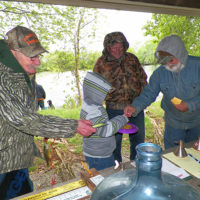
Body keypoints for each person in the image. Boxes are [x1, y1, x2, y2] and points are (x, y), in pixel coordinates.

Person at [0, 25, 96, 200]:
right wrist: (73, 125)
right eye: (33, 56)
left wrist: (44, 128)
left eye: (39, 55)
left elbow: (27, 112)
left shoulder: (22, 69)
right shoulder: (3, 77)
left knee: (25, 193)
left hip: (16, 154)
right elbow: (21, 118)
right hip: (3, 161)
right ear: (14, 52)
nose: (38, 62)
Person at [124, 35, 200, 150]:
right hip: (173, 125)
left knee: (195, 157)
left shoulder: (197, 66)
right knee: (173, 157)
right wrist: (135, 107)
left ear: (180, 54)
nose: (167, 64)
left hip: (197, 123)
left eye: (171, 59)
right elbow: (148, 94)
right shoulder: (159, 73)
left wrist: (191, 105)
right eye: (164, 61)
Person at [93, 32, 147, 163]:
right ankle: (116, 169)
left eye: (121, 47)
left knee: (138, 140)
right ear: (107, 47)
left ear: (125, 46)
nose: (118, 50)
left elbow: (143, 79)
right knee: (114, 143)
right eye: (114, 47)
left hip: (135, 107)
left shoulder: (132, 59)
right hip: (114, 110)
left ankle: (137, 165)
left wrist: (143, 100)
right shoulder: (101, 63)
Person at [80, 71, 128, 170]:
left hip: (92, 151)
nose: (106, 96)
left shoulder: (87, 105)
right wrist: (122, 118)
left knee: (96, 175)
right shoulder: (95, 111)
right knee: (105, 177)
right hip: (100, 155)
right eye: (104, 93)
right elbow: (106, 130)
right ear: (96, 94)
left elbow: (99, 125)